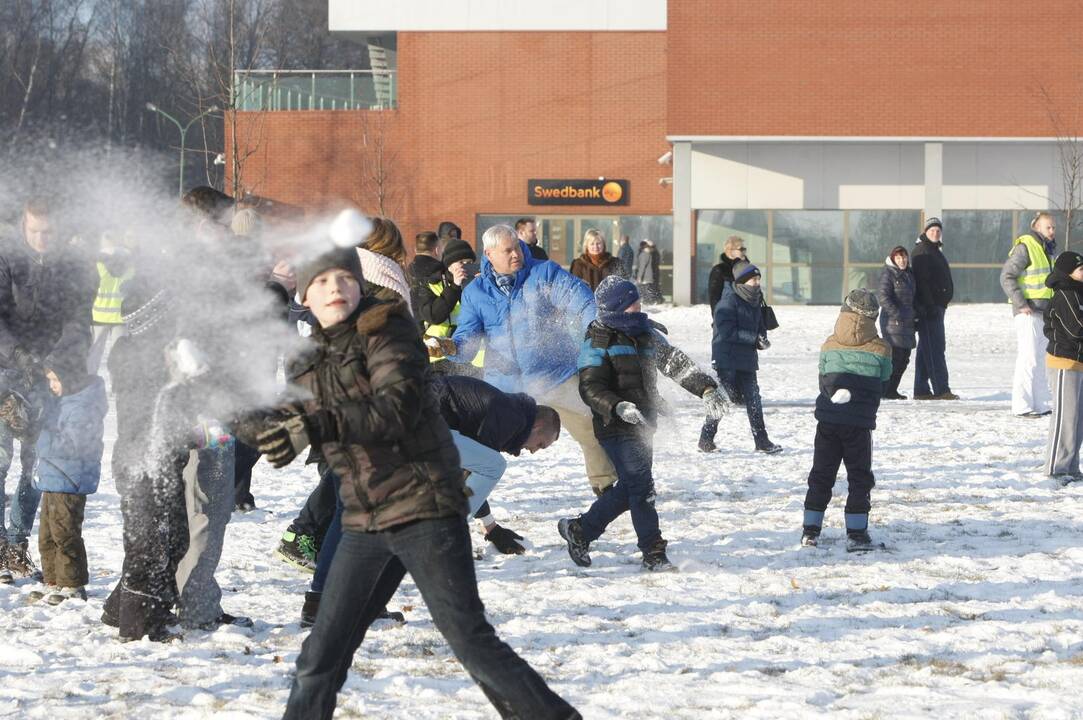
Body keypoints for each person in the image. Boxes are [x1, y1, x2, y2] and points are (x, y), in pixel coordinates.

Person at [255, 247, 579, 720]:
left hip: (426, 510)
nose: (336, 291)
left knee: (470, 639)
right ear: (306, 293)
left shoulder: (388, 332)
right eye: (322, 283)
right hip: (366, 518)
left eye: (345, 280)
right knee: (323, 650)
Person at [559, 277, 727, 571]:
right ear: (618, 307)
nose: (639, 306)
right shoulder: (599, 338)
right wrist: (617, 406)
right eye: (631, 302)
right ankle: (653, 552)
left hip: (644, 422)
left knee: (634, 488)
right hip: (614, 424)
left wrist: (706, 388)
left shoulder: (646, 333)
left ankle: (581, 530)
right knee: (641, 488)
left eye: (637, 300)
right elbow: (590, 387)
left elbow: (676, 363)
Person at [440, 224, 618, 495]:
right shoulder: (476, 292)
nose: (516, 254)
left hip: (555, 372)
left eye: (517, 247)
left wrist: (595, 328)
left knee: (592, 429)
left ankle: (607, 488)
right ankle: (459, 498)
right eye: (507, 250)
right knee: (479, 444)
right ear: (489, 254)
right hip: (505, 383)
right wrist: (450, 346)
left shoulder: (543, 272)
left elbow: (579, 302)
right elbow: (468, 344)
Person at [0, 197, 95, 583]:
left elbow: (78, 319)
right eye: (34, 231)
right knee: (0, 459)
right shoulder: (6, 257)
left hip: (49, 373)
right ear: (24, 227)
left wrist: (56, 361)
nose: (41, 239)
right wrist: (16, 354)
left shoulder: (73, 264)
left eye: (49, 232)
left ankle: (17, 544)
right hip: (5, 368)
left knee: (36, 465)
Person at [801, 289, 892, 552]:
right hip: (859, 424)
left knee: (821, 474)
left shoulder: (828, 345)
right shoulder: (881, 348)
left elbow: (822, 381)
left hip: (828, 421)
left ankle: (810, 530)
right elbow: (884, 383)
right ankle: (856, 534)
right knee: (859, 477)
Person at [30, 367, 107, 604]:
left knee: (65, 532)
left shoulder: (83, 407)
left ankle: (72, 583)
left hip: (70, 478)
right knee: (47, 534)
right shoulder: (59, 401)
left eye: (55, 379)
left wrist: (39, 436)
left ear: (71, 379)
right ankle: (53, 580)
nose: (51, 384)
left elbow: (73, 445)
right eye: (49, 379)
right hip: (53, 475)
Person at [699, 261, 781, 454]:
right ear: (743, 281)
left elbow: (760, 325)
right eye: (754, 279)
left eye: (759, 279)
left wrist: (761, 338)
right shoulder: (727, 302)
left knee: (754, 399)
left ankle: (761, 440)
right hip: (726, 358)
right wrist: (753, 339)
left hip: (747, 359)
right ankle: (705, 439)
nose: (757, 282)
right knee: (722, 399)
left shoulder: (756, 299)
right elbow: (727, 332)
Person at [1001, 212, 1056, 417]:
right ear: (1037, 227)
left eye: (1053, 227)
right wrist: (1021, 303)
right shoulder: (1026, 247)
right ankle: (1021, 405)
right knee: (1028, 358)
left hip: (1043, 311)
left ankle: (1040, 403)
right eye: (1048, 227)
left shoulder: (1048, 249)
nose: (1052, 231)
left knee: (1041, 359)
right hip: (1028, 311)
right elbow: (1006, 276)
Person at [413, 238, 483, 375]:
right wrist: (455, 287)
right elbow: (434, 316)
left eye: (469, 263)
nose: (465, 266)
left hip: (473, 355)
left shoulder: (478, 284)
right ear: (449, 265)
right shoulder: (432, 284)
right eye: (461, 262)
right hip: (440, 356)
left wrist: (484, 286)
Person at [1042, 251, 1083, 484]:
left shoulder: (1078, 293)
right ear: (1068, 273)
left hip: (1080, 362)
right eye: (1080, 270)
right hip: (1064, 362)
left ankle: (1071, 466)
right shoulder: (1065, 294)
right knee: (1065, 417)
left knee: (1077, 418)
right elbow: (1076, 328)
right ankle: (1056, 468)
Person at [911, 217, 958, 400]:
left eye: (938, 230)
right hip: (929, 310)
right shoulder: (922, 251)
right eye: (932, 230)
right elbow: (922, 282)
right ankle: (941, 389)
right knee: (935, 348)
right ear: (925, 232)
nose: (935, 233)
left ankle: (921, 390)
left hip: (937, 307)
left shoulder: (934, 250)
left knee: (926, 349)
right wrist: (929, 305)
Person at [87, 230, 135, 375]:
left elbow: (90, 289)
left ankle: (88, 382)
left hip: (99, 315)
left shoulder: (97, 264)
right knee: (118, 355)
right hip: (122, 316)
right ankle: (118, 383)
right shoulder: (131, 263)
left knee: (93, 354)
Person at [877, 246, 917, 400]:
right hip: (892, 323)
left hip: (907, 322)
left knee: (904, 358)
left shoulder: (909, 274)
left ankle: (892, 389)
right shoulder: (888, 274)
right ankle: (885, 389)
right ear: (893, 259)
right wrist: (897, 314)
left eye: (904, 257)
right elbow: (883, 297)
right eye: (899, 258)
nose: (902, 260)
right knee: (895, 357)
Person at [707, 236, 746, 313]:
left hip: (747, 319)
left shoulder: (747, 269)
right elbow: (714, 298)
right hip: (728, 318)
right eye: (741, 249)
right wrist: (718, 319)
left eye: (744, 249)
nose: (744, 252)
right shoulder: (720, 270)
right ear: (730, 251)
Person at [634, 240, 662, 304]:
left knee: (645, 290)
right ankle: (651, 301)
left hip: (645, 277)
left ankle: (648, 302)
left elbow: (642, 267)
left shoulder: (644, 255)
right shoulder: (649, 254)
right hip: (649, 276)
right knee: (648, 290)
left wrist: (639, 277)